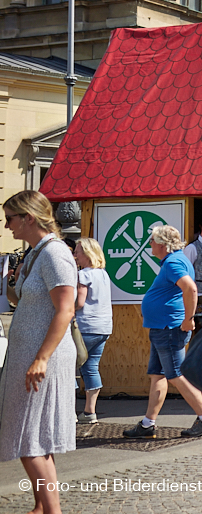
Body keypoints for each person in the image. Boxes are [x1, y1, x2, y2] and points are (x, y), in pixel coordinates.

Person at [0, 191, 78, 514]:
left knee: (29, 440)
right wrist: (13, 283)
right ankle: (40, 507)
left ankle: (52, 511)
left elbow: (66, 310)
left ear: (29, 218)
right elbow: (23, 302)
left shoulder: (55, 254)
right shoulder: (35, 254)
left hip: (42, 357)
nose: (7, 226)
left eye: (11, 219)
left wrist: (41, 358)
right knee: (36, 438)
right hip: (28, 355)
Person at [124, 224, 202, 439]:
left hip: (169, 328)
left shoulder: (174, 262)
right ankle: (148, 424)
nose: (150, 244)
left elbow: (190, 288)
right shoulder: (174, 261)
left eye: (153, 241)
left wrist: (188, 319)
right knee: (158, 375)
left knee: (175, 374)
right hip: (162, 327)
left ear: (164, 244)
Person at [74, 237, 113, 424]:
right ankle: (90, 411)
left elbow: (79, 303)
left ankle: (68, 411)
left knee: (69, 367)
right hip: (103, 327)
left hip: (85, 327)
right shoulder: (103, 274)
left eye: (77, 251)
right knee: (91, 367)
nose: (75, 255)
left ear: (87, 254)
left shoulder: (83, 275)